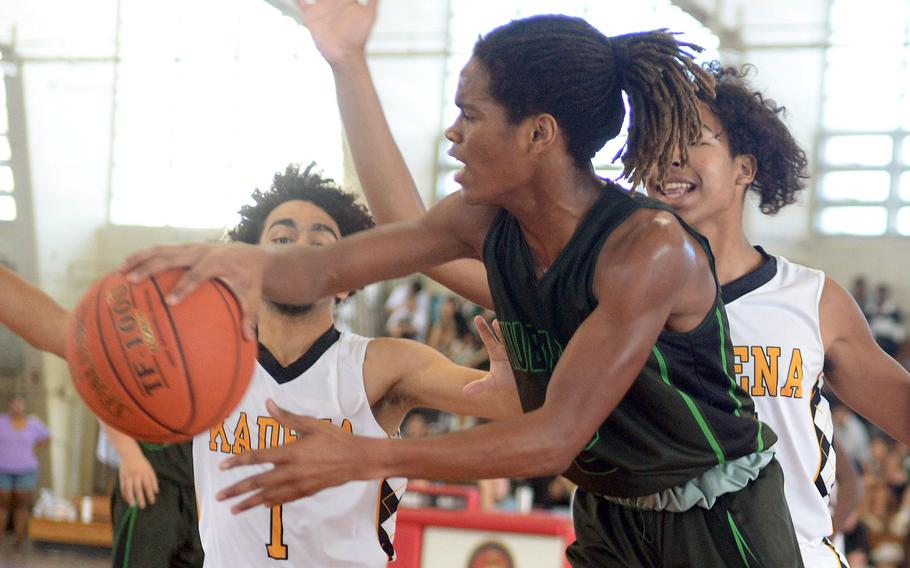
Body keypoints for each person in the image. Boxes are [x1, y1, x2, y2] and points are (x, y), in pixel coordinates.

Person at [123, 5, 804, 566]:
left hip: (717, 519)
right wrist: (216, 261)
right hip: (611, 510)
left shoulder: (646, 249)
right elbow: (330, 266)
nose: (452, 133)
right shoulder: (484, 222)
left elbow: (551, 440)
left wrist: (364, 455)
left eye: (470, 115)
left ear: (539, 133)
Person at [305, 5, 905, 562]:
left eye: (694, 140)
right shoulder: (588, 283)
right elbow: (410, 226)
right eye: (657, 143)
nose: (670, 158)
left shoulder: (811, 300)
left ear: (746, 166)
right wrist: (347, 62)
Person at [0, 163, 519, 567]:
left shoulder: (381, 364)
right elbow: (61, 330)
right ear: (249, 266)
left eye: (321, 241)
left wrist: (506, 386)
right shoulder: (207, 363)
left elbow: (510, 406)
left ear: (344, 276)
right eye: (282, 237)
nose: (300, 246)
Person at [0, 267, 203, 566]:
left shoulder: (219, 351)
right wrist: (129, 454)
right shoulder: (142, 341)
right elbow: (97, 372)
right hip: (152, 481)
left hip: (197, 488)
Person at [0, 393, 49, 550]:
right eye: (13, 403)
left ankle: (19, 541)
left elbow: (47, 437)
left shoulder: (34, 424)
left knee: (22, 505)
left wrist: (34, 449)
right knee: (3, 503)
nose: (17, 407)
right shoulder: (2, 422)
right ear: (9, 405)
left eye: (19, 403)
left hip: (26, 468)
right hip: (4, 468)